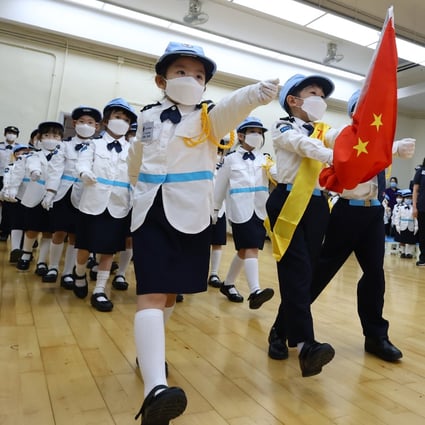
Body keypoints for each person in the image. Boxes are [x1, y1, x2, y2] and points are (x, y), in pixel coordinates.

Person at [129, 41, 279, 424]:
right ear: (161, 79)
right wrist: (138, 194)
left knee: (169, 295)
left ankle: (150, 355)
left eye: (199, 75)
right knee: (150, 292)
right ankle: (155, 388)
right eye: (181, 72)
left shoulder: (212, 119)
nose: (191, 80)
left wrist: (256, 94)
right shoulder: (146, 117)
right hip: (151, 212)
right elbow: (135, 160)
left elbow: (235, 106)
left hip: (193, 214)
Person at [271, 89, 414, 364]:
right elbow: (349, 148)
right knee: (317, 274)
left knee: (375, 276)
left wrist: (396, 146)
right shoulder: (342, 134)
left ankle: (376, 336)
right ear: (354, 112)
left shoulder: (380, 139)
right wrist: (394, 147)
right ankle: (281, 329)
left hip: (373, 213)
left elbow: (379, 148)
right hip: (346, 213)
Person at [265, 74, 337, 377]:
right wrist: (332, 155)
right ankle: (307, 344)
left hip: (317, 205)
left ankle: (279, 331)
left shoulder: (325, 132)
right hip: (289, 202)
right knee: (295, 270)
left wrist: (391, 144)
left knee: (304, 275)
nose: (319, 99)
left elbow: (350, 140)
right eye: (313, 92)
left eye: (323, 95)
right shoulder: (282, 127)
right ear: (293, 100)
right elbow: (302, 145)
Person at [73, 97, 136, 312]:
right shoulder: (92, 144)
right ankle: (79, 274)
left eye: (126, 119)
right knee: (84, 246)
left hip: (118, 204)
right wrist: (84, 172)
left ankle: (100, 289)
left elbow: (135, 175)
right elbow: (82, 163)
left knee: (108, 250)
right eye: (118, 117)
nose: (122, 122)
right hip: (93, 201)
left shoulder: (133, 150)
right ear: (107, 121)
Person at [213, 117, 275, 308]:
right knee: (251, 248)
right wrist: (215, 210)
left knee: (244, 250)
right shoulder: (230, 160)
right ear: (240, 135)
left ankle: (228, 284)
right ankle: (255, 290)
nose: (257, 136)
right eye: (252, 132)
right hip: (239, 210)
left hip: (259, 210)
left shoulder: (265, 159)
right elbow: (220, 187)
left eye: (259, 132)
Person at [42, 106, 102, 287]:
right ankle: (53, 267)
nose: (86, 125)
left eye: (90, 123)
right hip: (64, 192)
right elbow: (55, 170)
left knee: (76, 236)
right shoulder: (63, 145)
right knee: (58, 231)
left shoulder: (97, 147)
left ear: (97, 126)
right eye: (82, 122)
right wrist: (50, 192)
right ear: (74, 123)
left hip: (84, 194)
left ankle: (68, 271)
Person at [15, 122, 64, 273]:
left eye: (55, 136)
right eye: (47, 135)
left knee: (49, 231)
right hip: (35, 194)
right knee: (32, 228)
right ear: (40, 138)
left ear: (60, 139)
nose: (51, 139)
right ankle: (26, 253)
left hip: (53, 197)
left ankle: (42, 261)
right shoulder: (34, 155)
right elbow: (32, 165)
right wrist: (35, 171)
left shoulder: (62, 156)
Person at [0, 125, 20, 241]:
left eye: (13, 133)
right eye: (9, 132)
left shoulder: (19, 148)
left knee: (8, 205)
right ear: (5, 134)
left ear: (16, 136)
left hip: (11, 178)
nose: (11, 134)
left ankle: (5, 231)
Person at [393, 189, 418, 259]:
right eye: (407, 198)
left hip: (411, 226)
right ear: (404, 199)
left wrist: (416, 226)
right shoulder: (400, 207)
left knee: (410, 240)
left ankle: (409, 253)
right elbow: (397, 217)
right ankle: (402, 252)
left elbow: (415, 217)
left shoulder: (414, 208)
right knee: (402, 240)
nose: (408, 200)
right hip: (402, 225)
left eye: (410, 198)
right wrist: (397, 225)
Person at [412, 157, 425, 266]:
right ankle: (423, 258)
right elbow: (415, 191)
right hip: (422, 207)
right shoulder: (421, 172)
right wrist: (414, 207)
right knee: (423, 233)